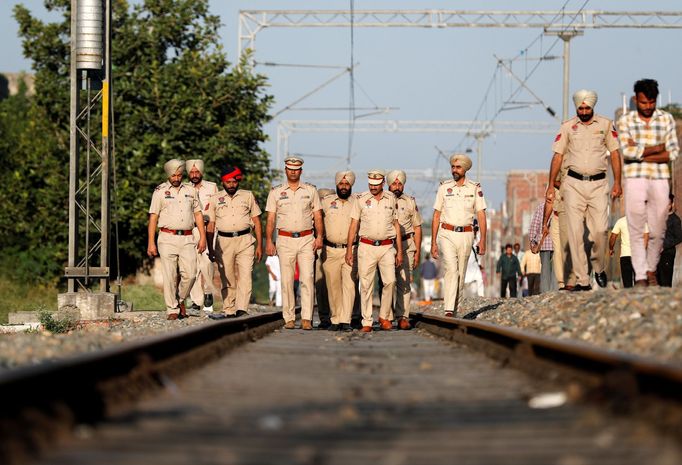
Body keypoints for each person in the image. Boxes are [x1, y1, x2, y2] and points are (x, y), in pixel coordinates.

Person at [546, 89, 622, 291]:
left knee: (599, 232)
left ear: (593, 107)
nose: (584, 111)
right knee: (575, 233)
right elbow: (557, 157)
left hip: (598, 185)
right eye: (581, 108)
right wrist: (550, 186)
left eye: (587, 107)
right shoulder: (567, 127)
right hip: (572, 184)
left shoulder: (605, 125)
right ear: (576, 107)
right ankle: (582, 280)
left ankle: (598, 267)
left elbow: (615, 154)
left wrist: (618, 183)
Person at [617, 79, 680, 287]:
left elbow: (672, 151)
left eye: (652, 103)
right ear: (636, 100)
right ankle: (643, 275)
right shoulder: (626, 122)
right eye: (644, 103)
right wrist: (655, 148)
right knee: (636, 228)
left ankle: (651, 267)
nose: (648, 107)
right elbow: (626, 151)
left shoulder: (666, 120)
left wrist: (640, 151)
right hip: (635, 179)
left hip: (659, 178)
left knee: (658, 226)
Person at [265, 156, 323, 330]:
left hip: (306, 238)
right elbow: (270, 219)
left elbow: (318, 215)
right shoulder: (276, 192)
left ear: (301, 171)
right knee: (287, 280)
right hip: (284, 238)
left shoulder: (310, 191)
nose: (293, 172)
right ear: (286, 170)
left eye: (296, 169)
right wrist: (269, 241)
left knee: (307, 278)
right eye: (290, 169)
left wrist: (319, 236)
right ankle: (289, 317)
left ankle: (306, 318)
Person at [147, 159, 207, 320]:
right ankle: (172, 309)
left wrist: (203, 238)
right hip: (167, 237)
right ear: (168, 175)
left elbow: (198, 214)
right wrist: (150, 242)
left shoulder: (190, 190)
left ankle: (180, 299)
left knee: (191, 274)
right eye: (173, 175)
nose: (176, 178)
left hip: (187, 237)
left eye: (179, 175)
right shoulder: (160, 191)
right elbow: (153, 217)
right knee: (169, 274)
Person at [345, 169, 403, 332]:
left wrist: (399, 251)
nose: (373, 187)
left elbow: (396, 225)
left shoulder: (391, 199)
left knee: (390, 281)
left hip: (386, 247)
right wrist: (349, 249)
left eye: (376, 185)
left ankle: (384, 316)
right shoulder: (361, 199)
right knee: (366, 285)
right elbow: (353, 225)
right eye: (371, 184)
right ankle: (367, 321)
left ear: (383, 183)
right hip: (366, 246)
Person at [431, 153, 487, 317]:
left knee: (461, 274)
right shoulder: (444, 187)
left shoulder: (475, 188)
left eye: (458, 167)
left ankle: (455, 309)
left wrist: (483, 239)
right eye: (452, 167)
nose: (454, 170)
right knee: (451, 270)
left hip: (467, 235)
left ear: (465, 169)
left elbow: (481, 215)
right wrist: (434, 242)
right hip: (446, 233)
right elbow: (436, 215)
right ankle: (448, 309)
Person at [206, 165, 262, 318]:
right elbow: (210, 224)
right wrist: (210, 248)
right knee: (227, 276)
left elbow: (257, 220)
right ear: (223, 182)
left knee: (245, 274)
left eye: (234, 182)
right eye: (228, 182)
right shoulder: (215, 199)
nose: (231, 185)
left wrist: (260, 246)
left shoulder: (248, 196)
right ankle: (229, 308)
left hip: (245, 240)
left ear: (238, 181)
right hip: (224, 241)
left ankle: (242, 308)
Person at [320, 172, 358, 332]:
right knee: (333, 285)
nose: (344, 187)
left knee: (349, 285)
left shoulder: (357, 202)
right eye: (341, 184)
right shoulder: (326, 202)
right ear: (336, 185)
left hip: (351, 249)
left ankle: (346, 320)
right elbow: (317, 220)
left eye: (347, 184)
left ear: (351, 186)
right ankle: (335, 319)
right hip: (330, 250)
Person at [387, 170, 422, 330]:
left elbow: (417, 227)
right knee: (387, 282)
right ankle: (386, 316)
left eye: (399, 183)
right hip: (387, 245)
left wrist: (418, 252)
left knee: (404, 282)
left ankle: (402, 317)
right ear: (388, 184)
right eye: (394, 183)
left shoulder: (410, 202)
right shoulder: (383, 200)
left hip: (407, 244)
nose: (396, 186)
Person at [185, 159, 218, 315]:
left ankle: (208, 292)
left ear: (202, 173)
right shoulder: (184, 188)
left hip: (208, 228)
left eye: (197, 172)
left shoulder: (211, 187)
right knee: (193, 265)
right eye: (191, 172)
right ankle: (196, 301)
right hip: (190, 230)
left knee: (207, 262)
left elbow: (217, 207)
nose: (194, 175)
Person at [609, 216, 649, 288]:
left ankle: (629, 298)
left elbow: (613, 237)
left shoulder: (621, 221)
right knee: (639, 283)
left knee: (627, 284)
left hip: (625, 256)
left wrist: (611, 249)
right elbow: (646, 237)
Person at [315, 187, 335, 328]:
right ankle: (324, 317)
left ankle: (338, 316)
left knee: (337, 285)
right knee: (320, 284)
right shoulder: (313, 213)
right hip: (318, 250)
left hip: (334, 249)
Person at [529, 201, 555, 293]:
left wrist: (533, 242)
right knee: (556, 269)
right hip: (557, 243)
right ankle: (555, 292)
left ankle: (545, 292)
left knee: (545, 270)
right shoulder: (561, 205)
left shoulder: (541, 207)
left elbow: (534, 225)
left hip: (545, 244)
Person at [657, 194, 682, 287]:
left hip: (668, 253)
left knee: (665, 281)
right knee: (657, 282)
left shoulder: (675, 220)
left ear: (672, 204)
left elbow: (679, 237)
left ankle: (666, 300)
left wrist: (664, 246)